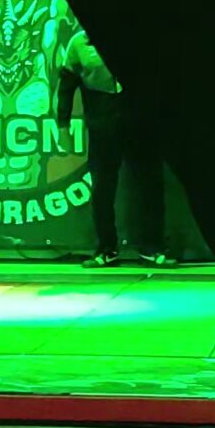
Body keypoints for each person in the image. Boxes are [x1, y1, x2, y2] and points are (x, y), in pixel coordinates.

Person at [56, 28, 171, 267]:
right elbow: (66, 86)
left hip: (141, 123)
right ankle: (106, 249)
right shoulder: (79, 43)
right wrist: (63, 127)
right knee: (102, 187)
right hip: (102, 124)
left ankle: (152, 248)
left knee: (149, 185)